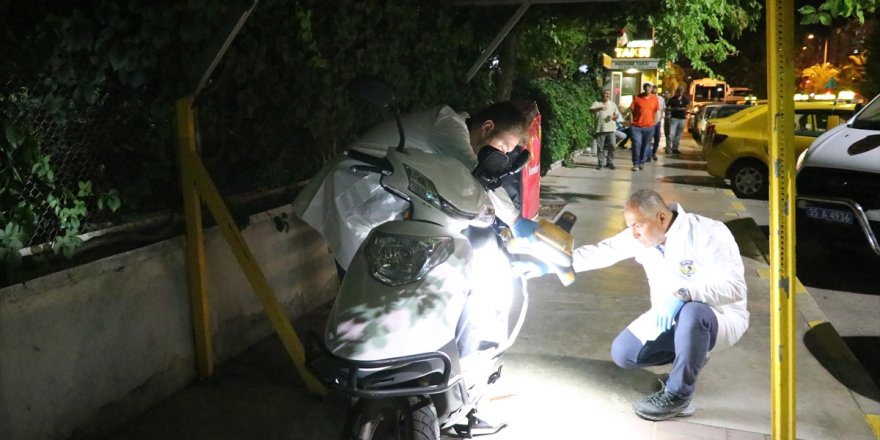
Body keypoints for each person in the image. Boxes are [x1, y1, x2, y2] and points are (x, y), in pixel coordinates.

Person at [515, 189, 749, 421]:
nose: (633, 233)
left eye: (637, 225)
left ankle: (679, 396)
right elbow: (602, 252)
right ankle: (692, 354)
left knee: (693, 311)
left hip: (719, 317)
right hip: (667, 316)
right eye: (630, 226)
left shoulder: (707, 233)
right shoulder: (642, 236)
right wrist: (552, 265)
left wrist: (685, 294)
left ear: (661, 217)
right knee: (624, 353)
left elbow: (735, 288)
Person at [294, 102, 540, 270]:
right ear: (487, 127)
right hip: (352, 190)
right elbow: (480, 176)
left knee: (375, 277)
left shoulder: (453, 139)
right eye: (502, 148)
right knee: (361, 283)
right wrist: (515, 219)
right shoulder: (447, 127)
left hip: (373, 201)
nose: (499, 156)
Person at [629, 83, 660, 171]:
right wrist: (631, 123)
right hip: (636, 126)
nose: (647, 88)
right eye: (645, 87)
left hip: (649, 127)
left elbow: (655, 112)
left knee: (645, 145)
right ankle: (636, 163)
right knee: (636, 144)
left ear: (652, 88)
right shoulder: (637, 97)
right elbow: (631, 111)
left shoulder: (655, 99)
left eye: (649, 87)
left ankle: (642, 162)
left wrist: (654, 123)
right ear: (643, 88)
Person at [589, 89, 622, 170]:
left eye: (608, 94)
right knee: (600, 147)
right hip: (600, 129)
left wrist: (613, 117)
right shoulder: (596, 103)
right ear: (602, 94)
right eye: (606, 93)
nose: (607, 95)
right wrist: (599, 109)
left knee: (612, 146)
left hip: (611, 129)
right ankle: (601, 163)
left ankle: (610, 162)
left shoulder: (612, 104)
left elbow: (617, 115)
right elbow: (590, 110)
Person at [666, 86, 690, 154]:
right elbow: (668, 108)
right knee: (671, 134)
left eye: (681, 92)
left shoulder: (685, 99)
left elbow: (688, 106)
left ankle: (675, 148)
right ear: (677, 92)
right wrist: (674, 109)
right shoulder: (672, 99)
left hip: (682, 118)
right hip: (674, 118)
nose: (680, 93)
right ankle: (668, 148)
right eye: (679, 92)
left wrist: (685, 109)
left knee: (678, 134)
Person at [649, 85, 665, 162]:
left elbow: (662, 109)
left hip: (657, 121)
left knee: (657, 138)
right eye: (653, 90)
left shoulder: (661, 99)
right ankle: (648, 153)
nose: (654, 91)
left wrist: (661, 117)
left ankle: (653, 152)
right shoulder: (648, 98)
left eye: (656, 90)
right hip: (649, 121)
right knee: (648, 138)